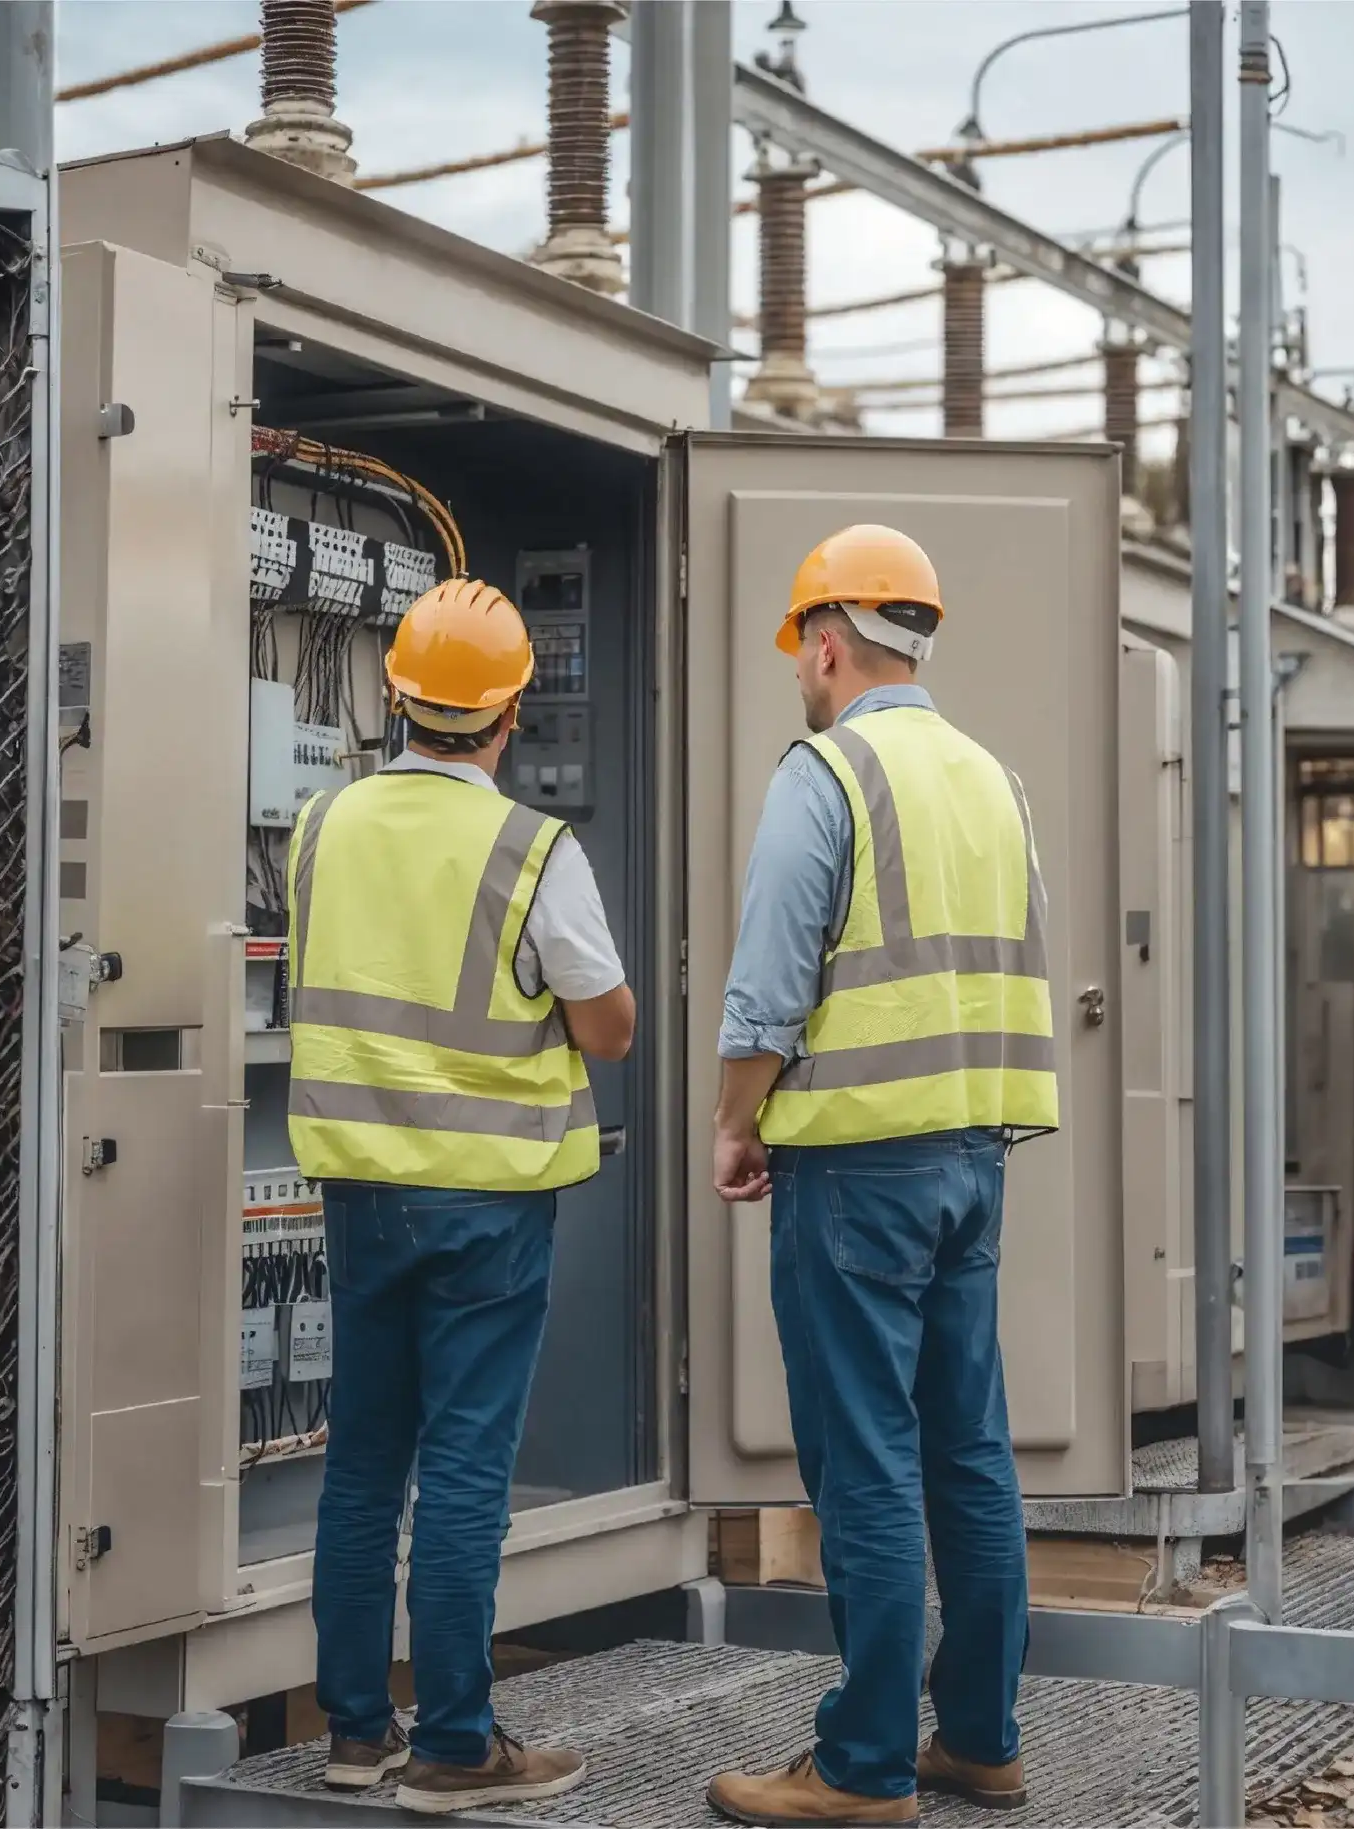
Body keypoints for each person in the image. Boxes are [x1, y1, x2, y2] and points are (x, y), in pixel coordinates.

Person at [705, 526, 1058, 1827]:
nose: (799, 672)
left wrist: (735, 1121)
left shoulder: (827, 775)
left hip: (855, 1165)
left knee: (864, 1458)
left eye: (799, 650)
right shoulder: (992, 778)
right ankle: (981, 1738)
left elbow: (766, 987)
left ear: (827, 643)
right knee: (967, 1448)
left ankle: (861, 1767)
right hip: (972, 1156)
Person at [288, 576, 633, 1815]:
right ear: (510, 711)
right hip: (486, 1203)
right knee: (465, 1471)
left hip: (360, 1191)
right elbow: (608, 1026)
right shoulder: (531, 847)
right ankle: (455, 1745)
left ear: (397, 696)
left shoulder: (322, 823)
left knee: (362, 1464)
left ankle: (353, 1729)